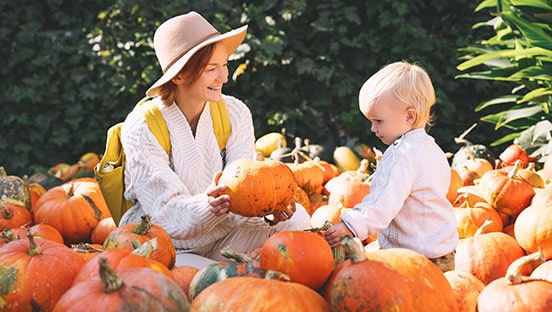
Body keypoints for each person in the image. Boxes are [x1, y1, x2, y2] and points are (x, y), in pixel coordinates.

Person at [119, 11, 310, 268]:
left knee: (298, 221)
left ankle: (236, 270)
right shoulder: (142, 126)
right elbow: (163, 215)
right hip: (167, 248)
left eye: (225, 64)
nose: (224, 77)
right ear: (178, 76)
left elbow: (248, 191)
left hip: (226, 238)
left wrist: (269, 212)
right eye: (212, 69)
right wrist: (207, 206)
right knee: (208, 282)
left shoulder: (235, 112)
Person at [324, 61, 459, 272]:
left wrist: (351, 225)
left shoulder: (401, 154)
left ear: (409, 116)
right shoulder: (432, 149)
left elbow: (383, 202)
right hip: (443, 253)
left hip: (414, 259)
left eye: (378, 121)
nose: (372, 128)